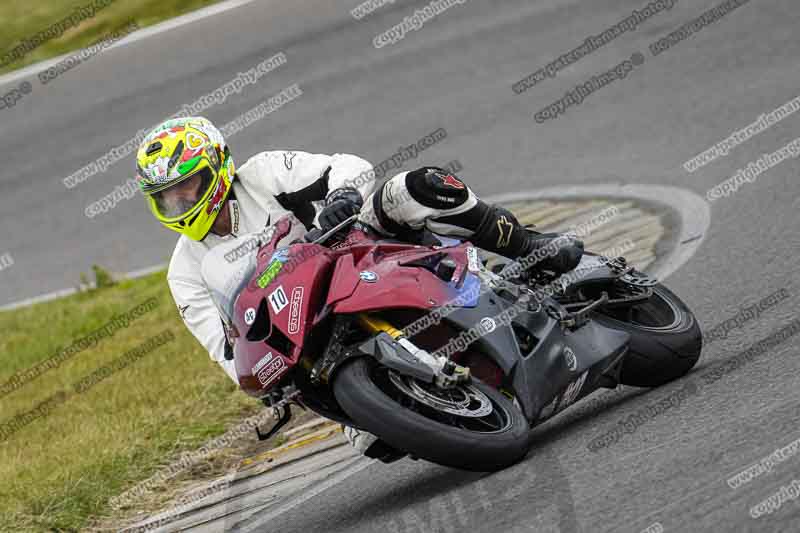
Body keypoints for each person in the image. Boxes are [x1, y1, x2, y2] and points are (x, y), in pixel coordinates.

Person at [135, 116, 583, 458]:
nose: (181, 203)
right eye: (168, 198)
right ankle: (426, 398)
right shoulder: (185, 272)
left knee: (414, 188)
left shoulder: (264, 174)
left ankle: (528, 245)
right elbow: (224, 353)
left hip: (359, 254)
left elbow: (347, 167)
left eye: (187, 188)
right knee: (372, 442)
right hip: (306, 338)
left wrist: (340, 197)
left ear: (217, 166)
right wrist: (260, 381)